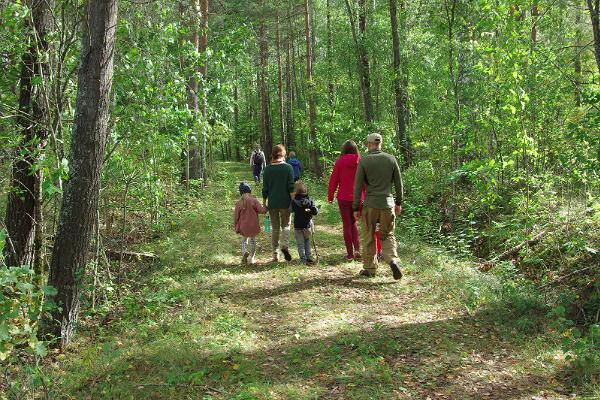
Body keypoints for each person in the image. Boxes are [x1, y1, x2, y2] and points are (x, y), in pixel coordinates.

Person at [352, 133, 404, 280]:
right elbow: (399, 185)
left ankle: (370, 268)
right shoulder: (391, 159)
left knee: (369, 235)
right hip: (388, 204)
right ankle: (392, 260)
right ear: (380, 144)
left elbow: (357, 187)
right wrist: (398, 203)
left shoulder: (364, 161)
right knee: (387, 234)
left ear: (369, 144)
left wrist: (356, 207)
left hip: (370, 205)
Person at [328, 140, 364, 261]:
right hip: (358, 198)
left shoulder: (340, 162)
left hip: (343, 198)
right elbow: (365, 181)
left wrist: (330, 195)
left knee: (347, 225)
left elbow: (334, 179)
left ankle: (350, 254)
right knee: (354, 223)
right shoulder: (360, 161)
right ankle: (358, 250)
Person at [262, 144, 295, 262]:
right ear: (283, 154)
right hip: (285, 202)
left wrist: (264, 203)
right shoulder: (288, 168)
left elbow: (265, 189)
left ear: (273, 154)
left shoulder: (267, 169)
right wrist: (293, 201)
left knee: (275, 228)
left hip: (273, 203)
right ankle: (285, 246)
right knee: (286, 226)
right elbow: (291, 187)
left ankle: (275, 254)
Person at [234, 182, 267, 264]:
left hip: (243, 226)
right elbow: (262, 211)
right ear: (249, 191)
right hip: (253, 226)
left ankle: (245, 252)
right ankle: (252, 258)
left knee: (244, 241)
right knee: (252, 241)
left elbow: (236, 217)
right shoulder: (254, 200)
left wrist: (236, 225)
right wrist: (266, 206)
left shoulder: (239, 203)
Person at [291, 181, 318, 264]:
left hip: (298, 226)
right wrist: (309, 209)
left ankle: (303, 259)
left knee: (300, 244)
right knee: (307, 241)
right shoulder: (309, 201)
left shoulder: (294, 202)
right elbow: (315, 211)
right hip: (307, 226)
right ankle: (308, 256)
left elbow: (290, 210)